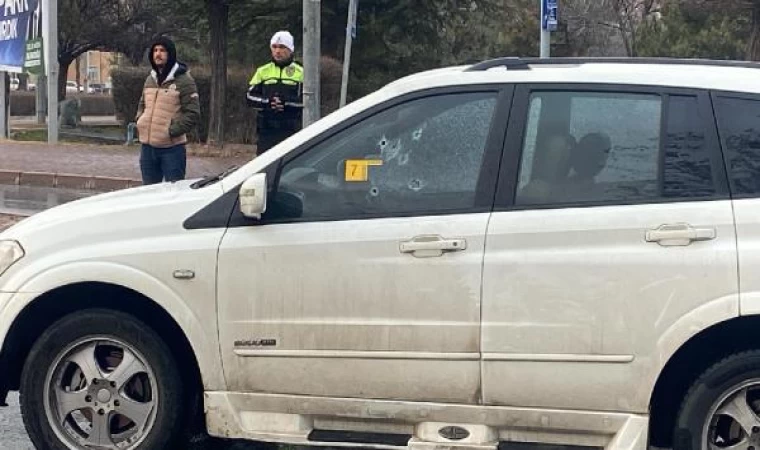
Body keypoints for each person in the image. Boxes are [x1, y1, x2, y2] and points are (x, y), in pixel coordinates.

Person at [135, 36, 201, 185]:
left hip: (172, 150)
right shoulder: (150, 79)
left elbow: (193, 113)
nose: (158, 54)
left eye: (162, 50)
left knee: (174, 193)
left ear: (170, 54)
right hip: (147, 148)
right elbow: (142, 103)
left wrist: (171, 131)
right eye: (155, 50)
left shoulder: (184, 81)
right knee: (148, 193)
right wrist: (140, 121)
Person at [247, 31, 304, 154]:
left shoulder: (301, 72)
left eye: (282, 47)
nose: (278, 51)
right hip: (266, 131)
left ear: (290, 50)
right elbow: (249, 97)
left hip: (291, 130)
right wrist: (268, 102)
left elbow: (306, 101)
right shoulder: (263, 71)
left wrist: (286, 103)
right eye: (274, 47)